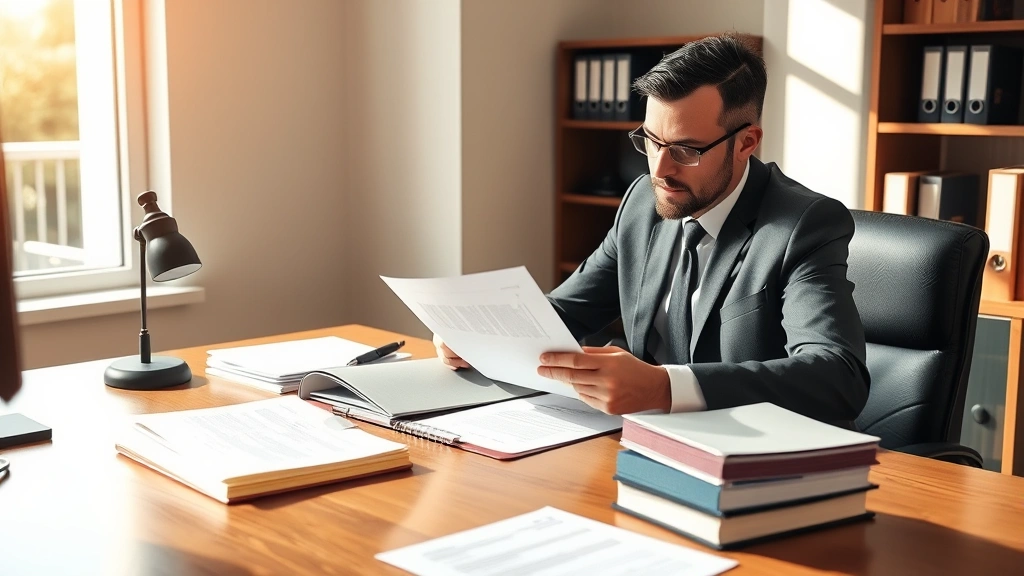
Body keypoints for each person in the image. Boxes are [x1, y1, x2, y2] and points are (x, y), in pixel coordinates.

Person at [436, 34, 869, 427]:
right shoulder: (643, 203)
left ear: (746, 143)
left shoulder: (803, 225)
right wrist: (480, 336)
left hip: (749, 458)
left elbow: (837, 376)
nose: (660, 169)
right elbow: (567, 313)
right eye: (650, 140)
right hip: (637, 440)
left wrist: (664, 387)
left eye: (685, 149)